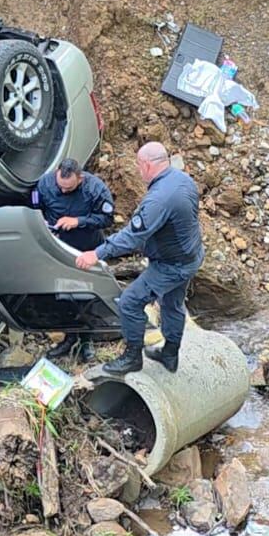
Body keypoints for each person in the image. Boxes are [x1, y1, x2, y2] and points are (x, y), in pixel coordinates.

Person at [74, 142, 202, 375]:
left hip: (171, 265)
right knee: (172, 303)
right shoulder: (184, 180)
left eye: (138, 165)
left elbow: (133, 237)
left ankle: (132, 357)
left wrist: (97, 253)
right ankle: (170, 355)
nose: (138, 170)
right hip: (190, 256)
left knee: (130, 302)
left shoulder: (158, 199)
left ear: (146, 165)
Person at [32, 158, 115, 361]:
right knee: (63, 295)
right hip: (57, 248)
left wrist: (78, 221)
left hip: (86, 250)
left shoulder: (96, 190)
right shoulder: (45, 183)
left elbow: (107, 219)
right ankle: (69, 338)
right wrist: (39, 220)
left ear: (80, 178)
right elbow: (34, 204)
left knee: (85, 295)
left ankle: (87, 341)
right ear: (57, 174)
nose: (63, 191)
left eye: (69, 188)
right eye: (60, 186)